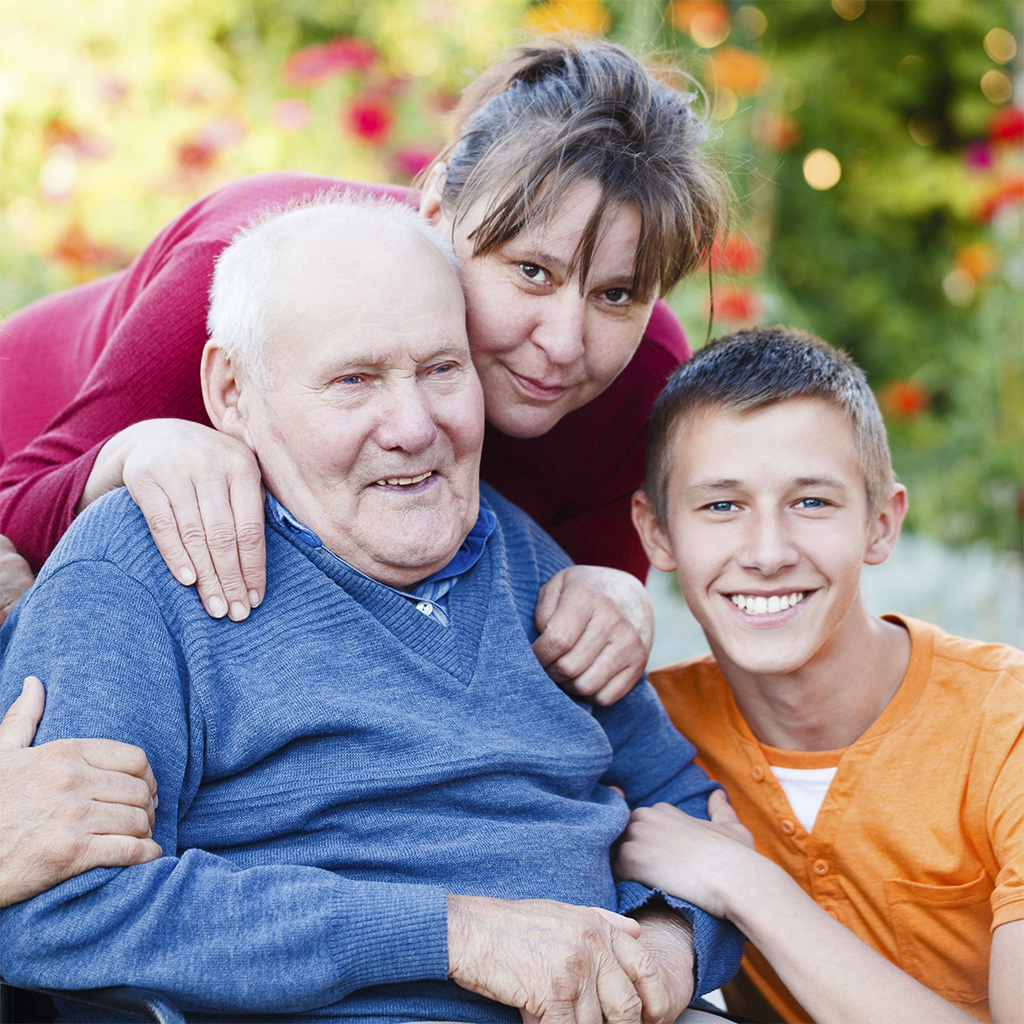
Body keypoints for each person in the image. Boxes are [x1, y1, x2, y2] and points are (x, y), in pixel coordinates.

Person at [0, 197, 742, 1022]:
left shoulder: (531, 565)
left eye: (441, 369)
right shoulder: (140, 568)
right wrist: (455, 936)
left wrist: (673, 947)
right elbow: (65, 914)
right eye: (354, 380)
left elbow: (688, 809)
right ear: (232, 391)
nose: (414, 426)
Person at [619, 326, 1023, 1023]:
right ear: (657, 533)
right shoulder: (651, 735)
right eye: (722, 505)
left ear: (880, 524)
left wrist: (744, 882)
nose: (768, 552)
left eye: (811, 502)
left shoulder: (1003, 725)